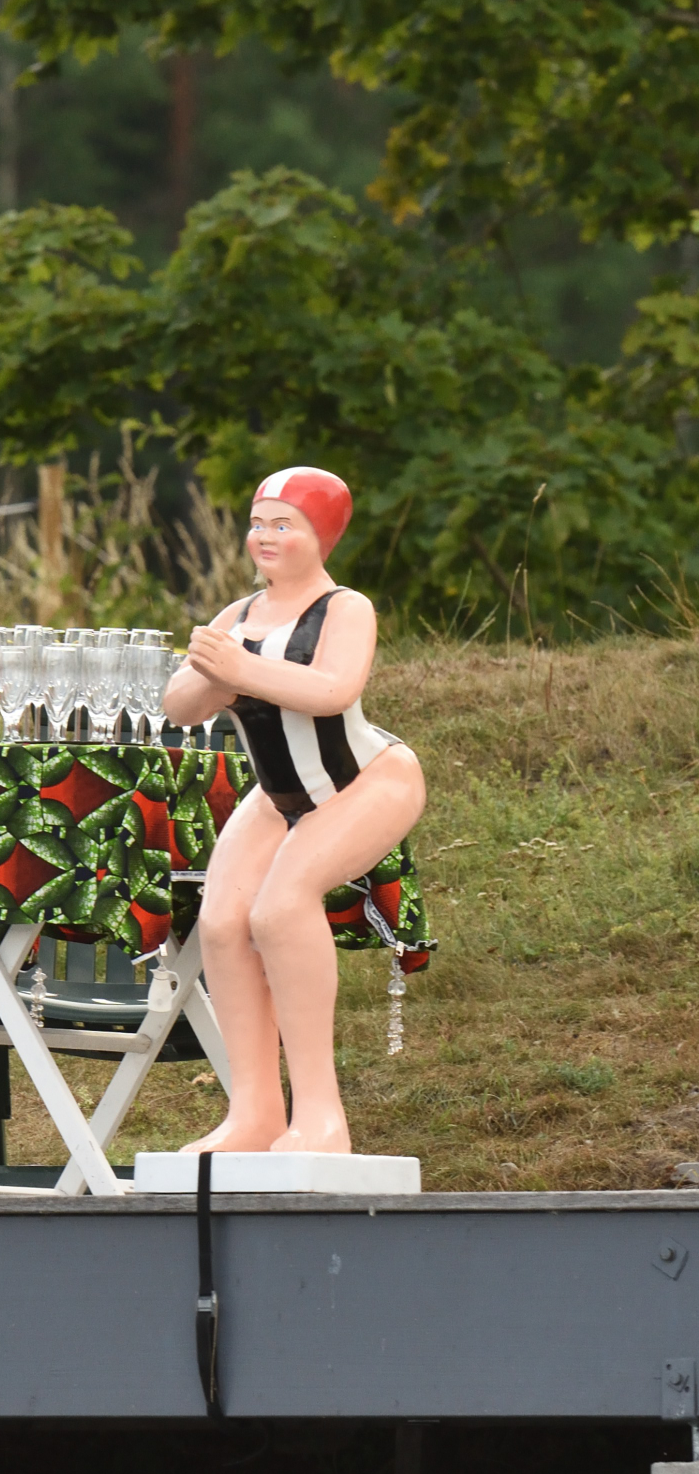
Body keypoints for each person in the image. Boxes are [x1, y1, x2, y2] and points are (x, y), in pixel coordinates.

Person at [160, 464, 425, 1156]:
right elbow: (179, 705)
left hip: (364, 782)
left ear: (322, 535)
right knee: (221, 923)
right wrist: (213, 677)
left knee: (279, 910)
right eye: (257, 524)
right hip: (279, 797)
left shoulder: (343, 608)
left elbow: (333, 690)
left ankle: (321, 1117)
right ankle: (253, 1114)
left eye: (284, 524)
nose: (265, 537)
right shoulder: (237, 617)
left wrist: (237, 671)